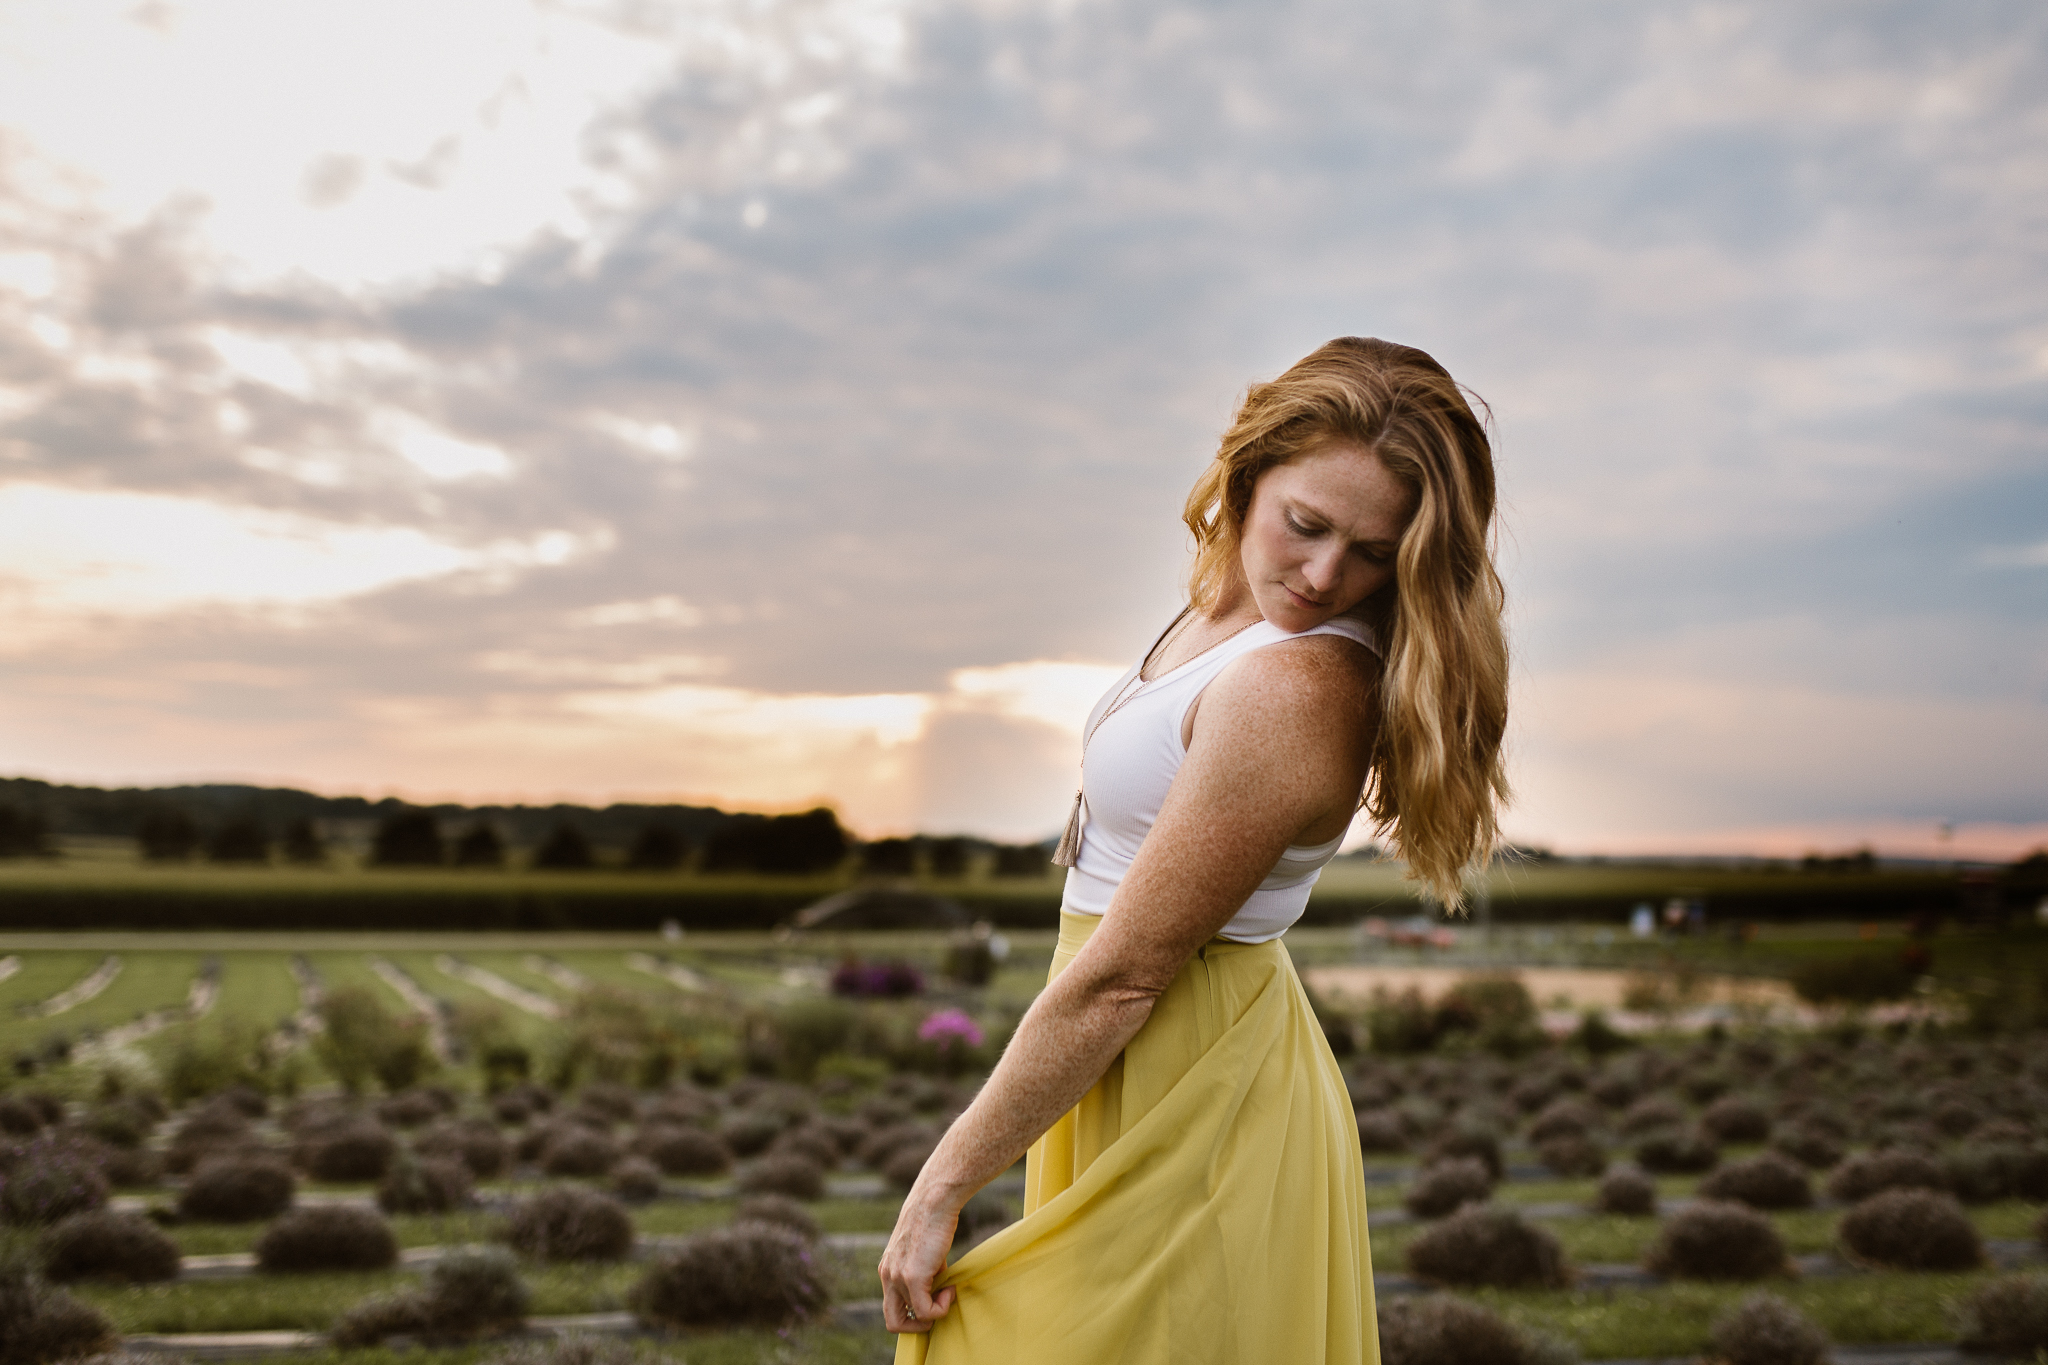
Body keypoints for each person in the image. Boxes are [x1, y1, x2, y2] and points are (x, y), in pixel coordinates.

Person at [879, 337, 1510, 1363]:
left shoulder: (1294, 687)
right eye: (1303, 526)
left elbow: (1123, 979)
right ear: (1247, 473)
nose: (1321, 575)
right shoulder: (1225, 611)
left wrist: (940, 1185)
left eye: (1369, 554)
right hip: (1136, 1060)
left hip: (1189, 1079)